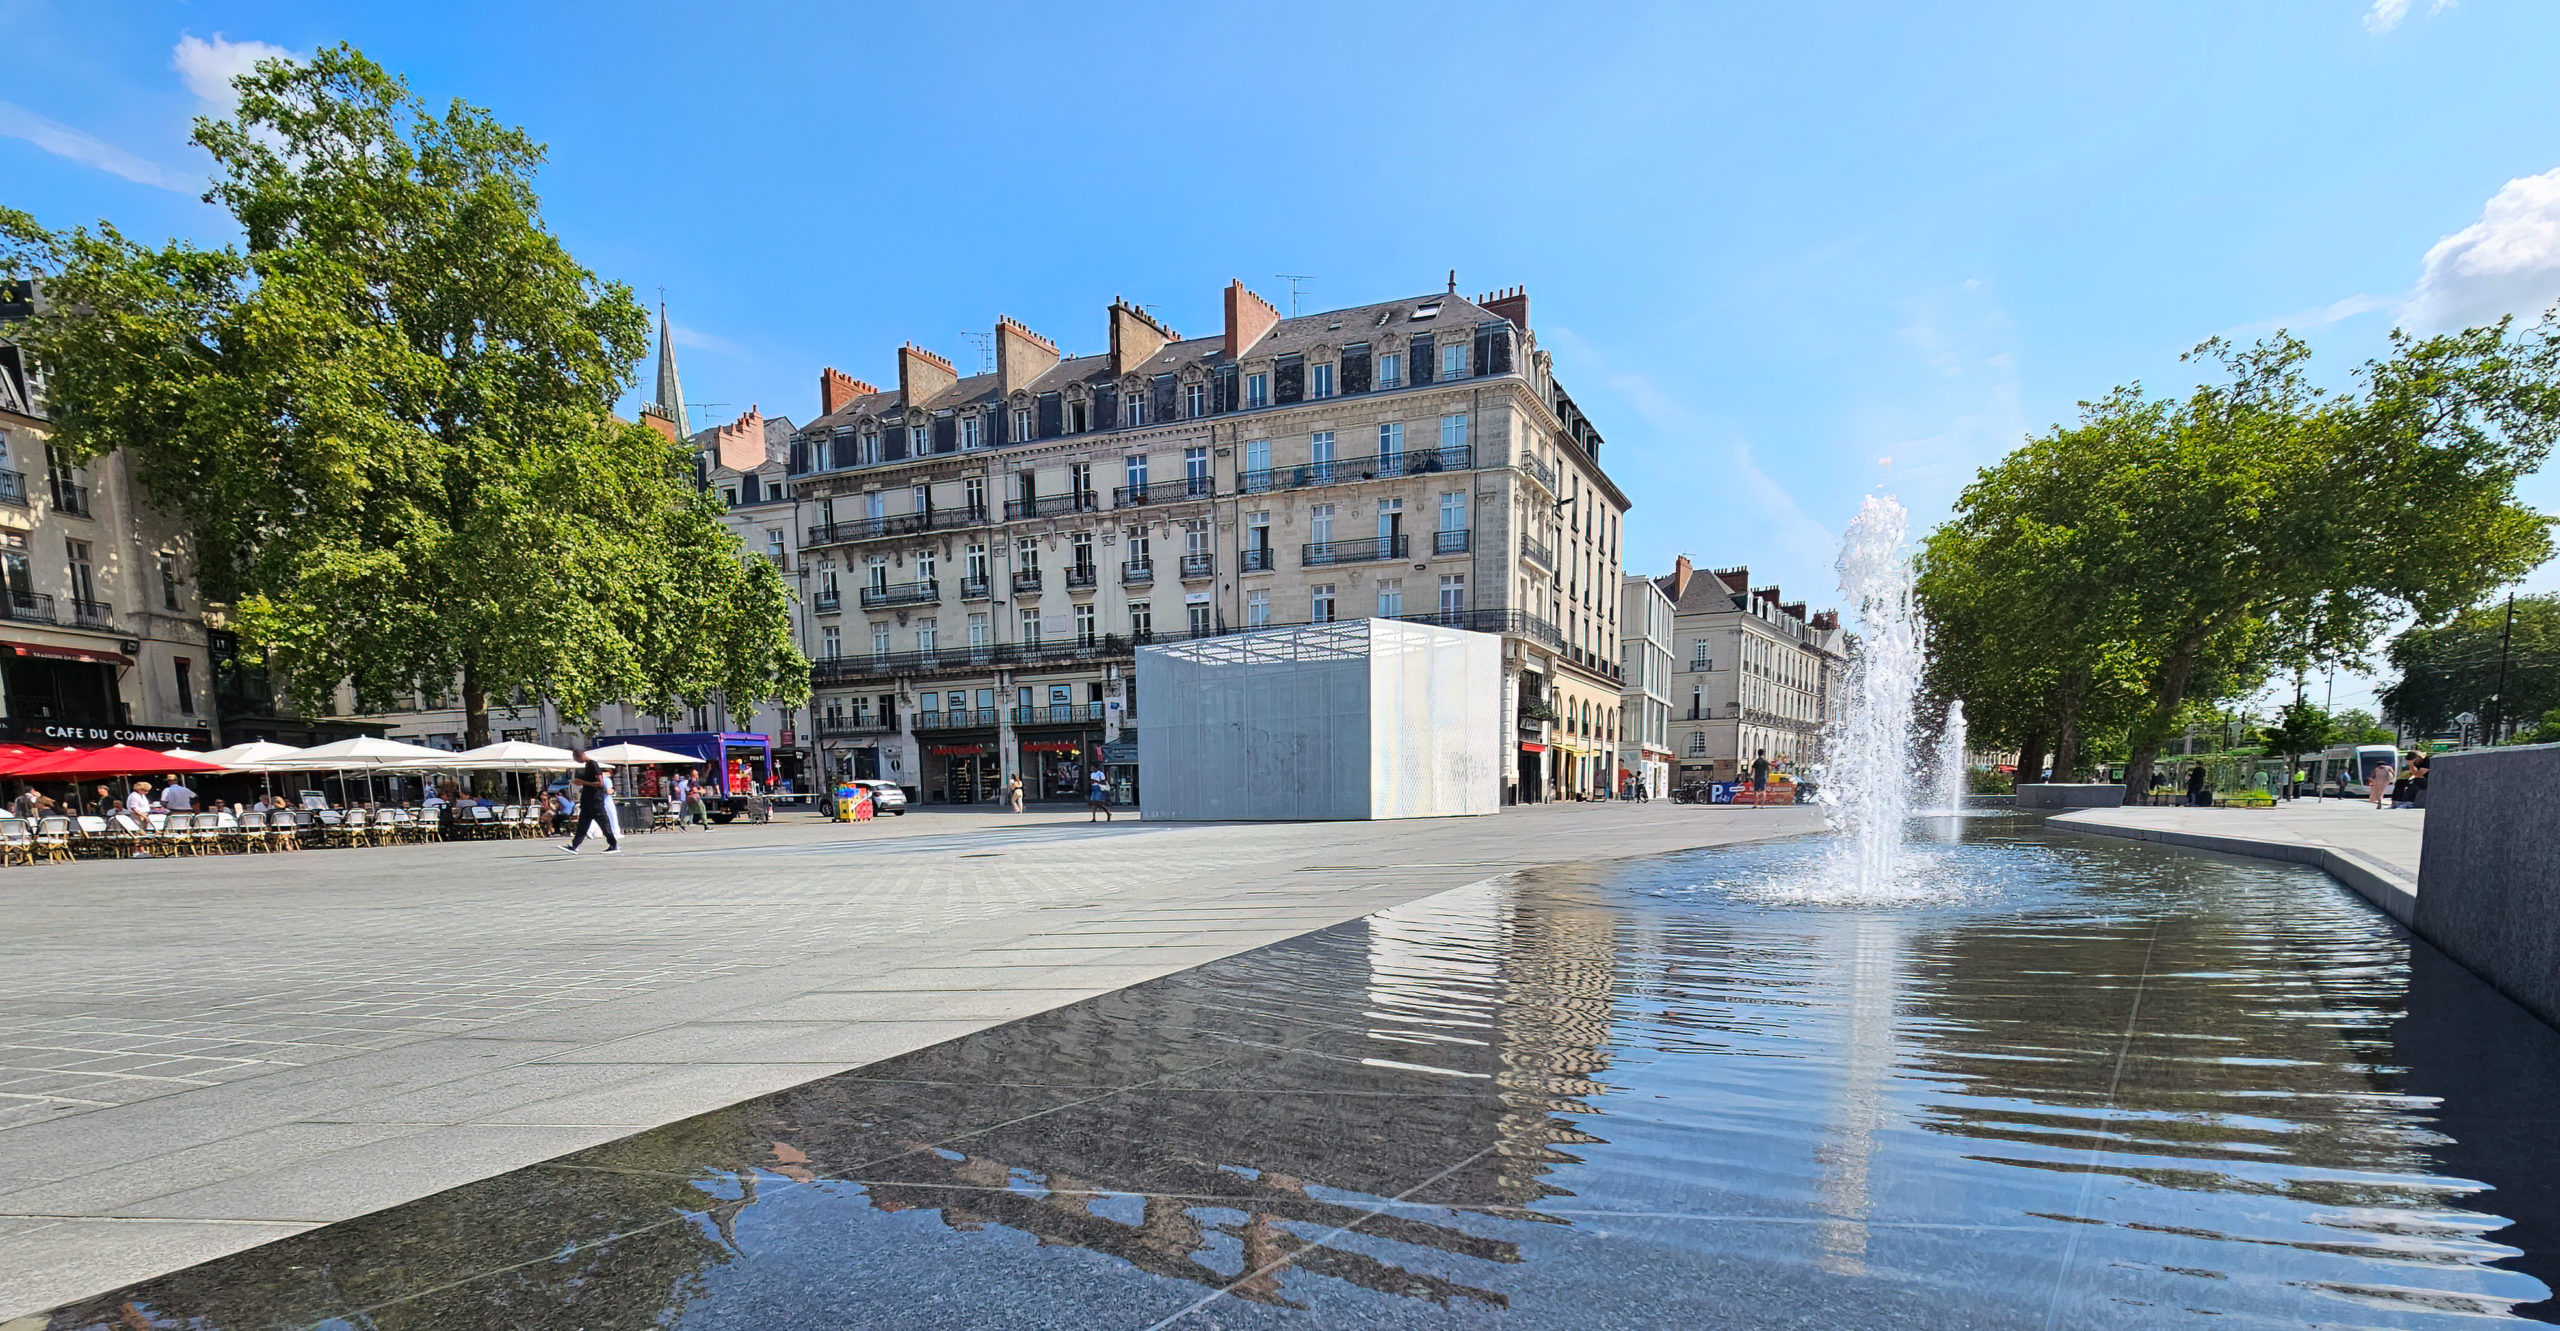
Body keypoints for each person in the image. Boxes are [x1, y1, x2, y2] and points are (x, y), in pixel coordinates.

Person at [562, 749, 619, 854]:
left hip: (595, 800)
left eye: (576, 759)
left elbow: (600, 783)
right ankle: (574, 846)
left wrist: (583, 782)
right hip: (588, 800)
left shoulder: (593, 764)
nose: (576, 761)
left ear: (580, 756)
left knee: (604, 824)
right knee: (582, 824)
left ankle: (613, 844)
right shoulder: (588, 765)